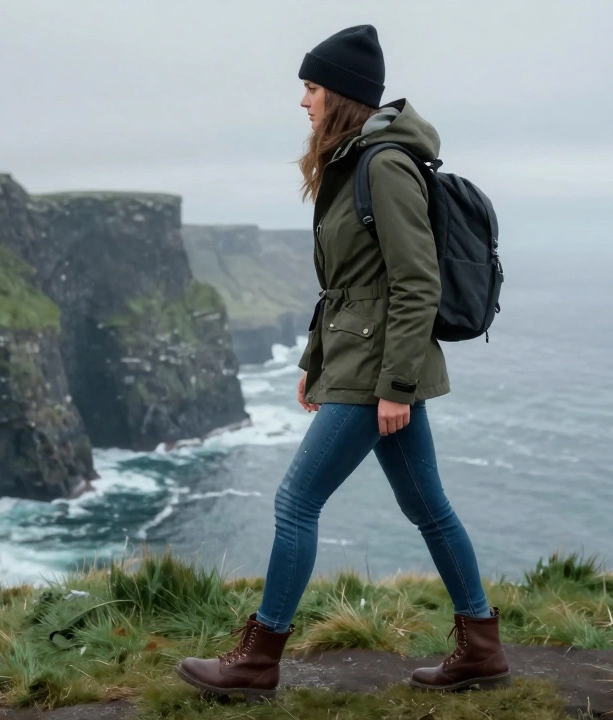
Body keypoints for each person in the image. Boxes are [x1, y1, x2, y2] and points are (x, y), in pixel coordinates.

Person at [176, 24, 510, 698]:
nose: (303, 101)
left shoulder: (383, 166)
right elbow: (348, 286)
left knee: (296, 501)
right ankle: (481, 650)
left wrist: (396, 386)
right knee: (428, 506)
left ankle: (258, 660)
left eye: (312, 87)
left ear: (342, 94)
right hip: (361, 360)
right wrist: (313, 359)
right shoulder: (354, 162)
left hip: (378, 369)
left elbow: (416, 281)